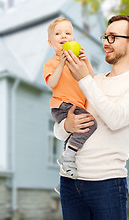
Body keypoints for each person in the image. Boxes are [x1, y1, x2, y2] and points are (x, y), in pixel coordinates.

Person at [54, 15, 129, 220]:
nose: (105, 43)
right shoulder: (94, 81)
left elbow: (116, 118)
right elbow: (59, 131)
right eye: (105, 37)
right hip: (69, 181)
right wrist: (67, 124)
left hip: (107, 183)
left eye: (113, 37)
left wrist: (83, 78)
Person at [42, 17, 97, 190]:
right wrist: (61, 64)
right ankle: (67, 158)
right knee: (90, 124)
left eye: (68, 33)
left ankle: (65, 181)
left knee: (72, 143)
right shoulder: (50, 63)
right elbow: (52, 83)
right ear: (51, 42)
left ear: (73, 39)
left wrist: (86, 61)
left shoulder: (78, 62)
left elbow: (90, 78)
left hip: (76, 106)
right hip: (63, 105)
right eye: (58, 34)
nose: (63, 36)